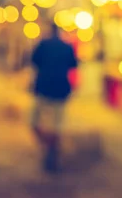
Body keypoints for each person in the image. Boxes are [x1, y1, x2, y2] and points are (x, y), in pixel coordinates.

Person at [30, 23, 78, 173]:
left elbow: (33, 61)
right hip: (60, 89)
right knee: (57, 122)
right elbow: (73, 65)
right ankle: (52, 147)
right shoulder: (67, 46)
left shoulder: (43, 45)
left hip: (43, 88)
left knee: (35, 120)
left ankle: (48, 145)